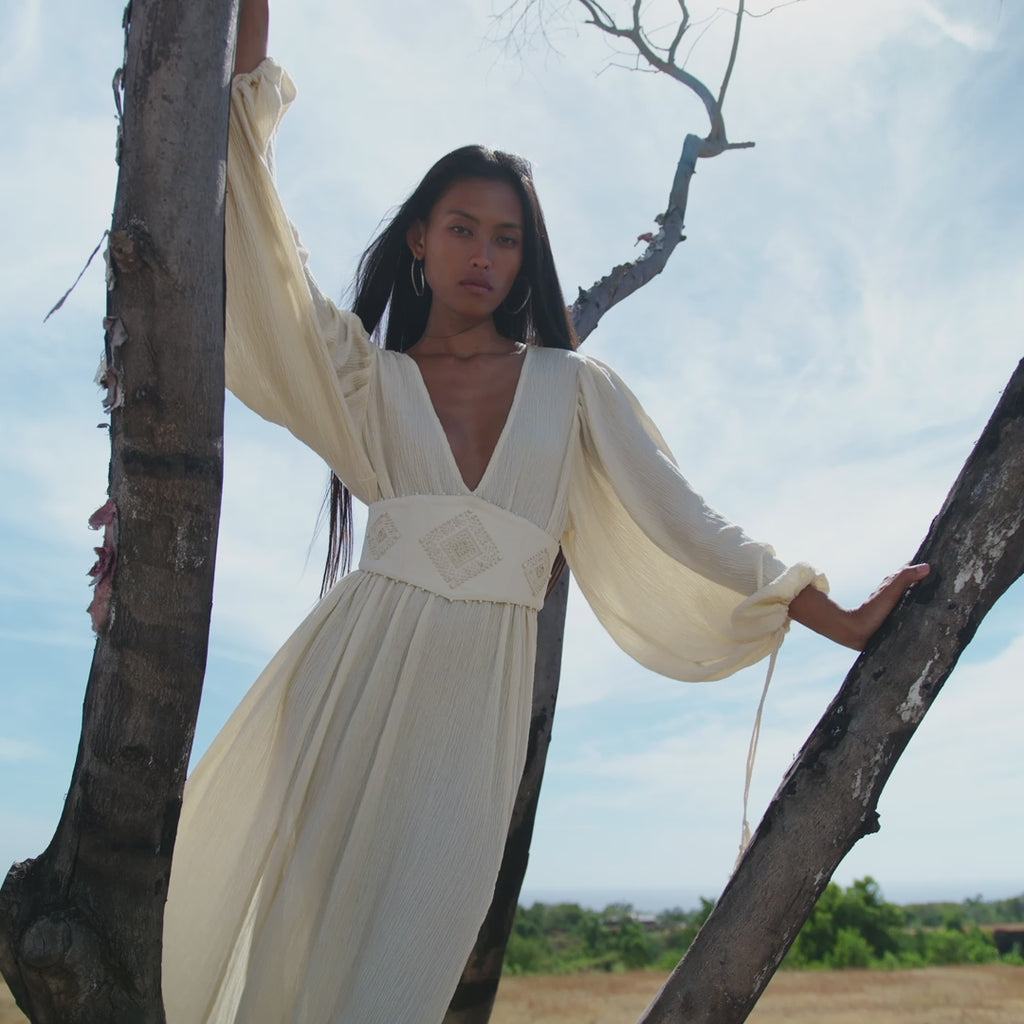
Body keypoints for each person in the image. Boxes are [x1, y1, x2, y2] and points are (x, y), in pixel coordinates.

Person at [160, 3, 930, 1021]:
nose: (485, 253)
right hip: (345, 684)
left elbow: (688, 521)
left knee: (405, 967)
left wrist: (831, 611)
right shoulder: (363, 381)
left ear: (526, 258)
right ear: (420, 242)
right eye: (463, 228)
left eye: (508, 237)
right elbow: (255, 236)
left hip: (475, 711)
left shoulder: (574, 388)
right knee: (294, 954)